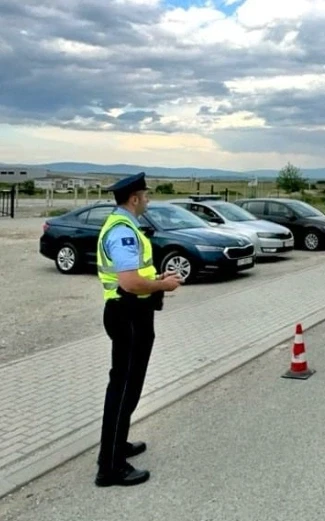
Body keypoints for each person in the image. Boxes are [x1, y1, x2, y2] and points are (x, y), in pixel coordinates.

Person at [94, 172, 183, 487]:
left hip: (132, 314)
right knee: (123, 388)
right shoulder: (122, 230)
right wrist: (164, 284)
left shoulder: (125, 225)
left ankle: (118, 445)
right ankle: (111, 467)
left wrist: (158, 276)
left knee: (128, 386)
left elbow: (136, 273)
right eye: (146, 195)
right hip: (128, 315)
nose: (148, 199)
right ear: (134, 198)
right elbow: (129, 281)